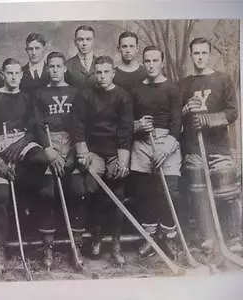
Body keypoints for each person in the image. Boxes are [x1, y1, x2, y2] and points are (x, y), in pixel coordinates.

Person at [179, 37, 242, 253]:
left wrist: (209, 119)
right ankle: (207, 236)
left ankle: (233, 237)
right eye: (196, 53)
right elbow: (174, 117)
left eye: (204, 53)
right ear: (191, 55)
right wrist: (186, 109)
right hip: (194, 147)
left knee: (226, 187)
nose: (200, 57)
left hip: (218, 146)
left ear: (210, 54)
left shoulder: (223, 79)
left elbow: (233, 112)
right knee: (197, 187)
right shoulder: (183, 84)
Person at [72, 55, 133, 265]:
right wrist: (83, 153)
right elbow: (78, 126)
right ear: (94, 73)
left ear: (113, 73)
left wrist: (123, 160)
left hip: (116, 152)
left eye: (106, 72)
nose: (102, 76)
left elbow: (126, 129)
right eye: (98, 72)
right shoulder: (85, 95)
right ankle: (96, 238)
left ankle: (116, 244)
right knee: (94, 190)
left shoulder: (123, 96)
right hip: (93, 152)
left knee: (117, 194)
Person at [0, 58, 40, 274]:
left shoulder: (27, 97)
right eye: (9, 73)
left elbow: (34, 129)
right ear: (3, 75)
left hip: (22, 146)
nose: (14, 77)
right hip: (0, 149)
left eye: (17, 73)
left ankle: (31, 241)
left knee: (37, 172)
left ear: (22, 75)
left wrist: (21, 144)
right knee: (0, 195)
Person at [129, 46, 182, 259]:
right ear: (143, 63)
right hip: (142, 143)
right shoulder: (136, 90)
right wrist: (137, 125)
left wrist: (166, 148)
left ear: (162, 62)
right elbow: (126, 122)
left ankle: (168, 237)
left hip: (167, 142)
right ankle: (150, 238)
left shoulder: (171, 88)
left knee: (171, 191)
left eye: (155, 60)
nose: (151, 65)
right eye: (147, 61)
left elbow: (177, 122)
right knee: (146, 192)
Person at [33, 51, 85, 270]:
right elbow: (37, 125)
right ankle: (48, 245)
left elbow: (80, 124)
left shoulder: (75, 92)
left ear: (65, 68)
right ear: (47, 69)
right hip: (50, 145)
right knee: (47, 193)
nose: (54, 70)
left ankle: (77, 244)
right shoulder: (40, 93)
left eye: (58, 66)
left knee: (77, 189)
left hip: (71, 143)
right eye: (50, 66)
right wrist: (49, 151)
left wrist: (71, 156)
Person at [20, 32, 50, 98]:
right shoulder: (20, 73)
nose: (34, 53)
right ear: (26, 50)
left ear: (44, 49)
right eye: (30, 49)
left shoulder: (51, 71)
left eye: (37, 48)